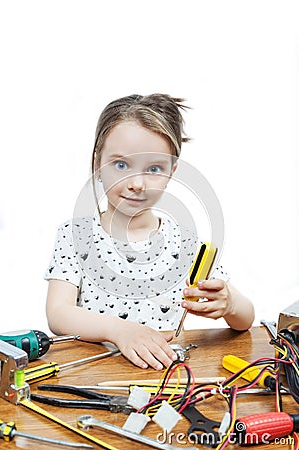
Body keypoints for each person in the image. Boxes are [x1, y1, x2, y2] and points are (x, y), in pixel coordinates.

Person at [45, 94, 255, 370]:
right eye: (121, 165)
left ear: (171, 172)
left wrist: (230, 304)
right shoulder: (76, 234)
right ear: (98, 163)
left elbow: (246, 319)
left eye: (154, 169)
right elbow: (58, 314)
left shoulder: (185, 244)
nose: (137, 183)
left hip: (164, 380)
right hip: (93, 375)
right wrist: (121, 331)